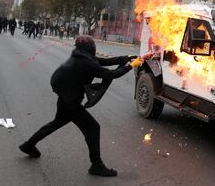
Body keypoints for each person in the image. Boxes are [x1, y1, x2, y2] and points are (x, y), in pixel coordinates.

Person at [19, 35, 143, 177]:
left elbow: (103, 61)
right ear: (90, 48)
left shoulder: (80, 57)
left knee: (56, 123)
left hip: (65, 99)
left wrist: (125, 58)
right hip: (71, 102)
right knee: (93, 127)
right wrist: (131, 66)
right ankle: (96, 165)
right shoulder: (85, 62)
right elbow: (111, 74)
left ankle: (28, 145)